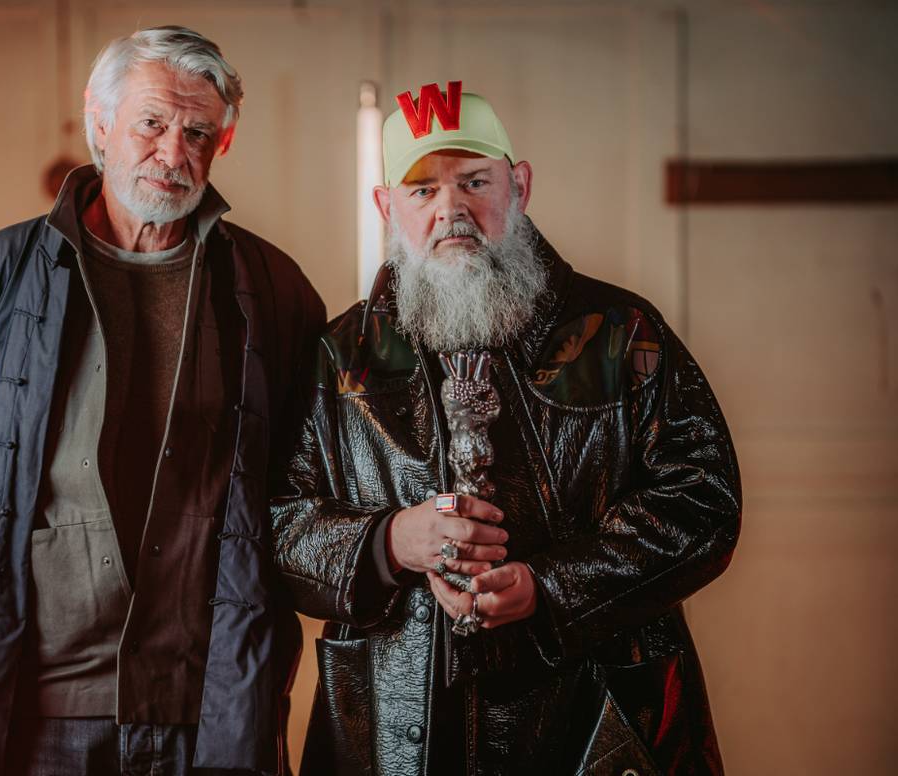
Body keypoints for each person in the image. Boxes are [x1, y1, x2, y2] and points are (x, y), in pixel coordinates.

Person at [0, 26, 324, 776]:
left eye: (197, 133)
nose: (172, 152)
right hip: (33, 702)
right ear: (99, 120)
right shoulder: (5, 271)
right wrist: (6, 551)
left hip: (205, 700)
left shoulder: (268, 288)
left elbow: (306, 475)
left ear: (223, 142)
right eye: (151, 123)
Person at [271, 81, 740, 775]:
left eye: (474, 181)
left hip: (592, 715)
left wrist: (549, 586)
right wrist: (392, 540)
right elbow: (280, 527)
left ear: (517, 185)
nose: (451, 209)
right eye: (423, 191)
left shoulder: (621, 335)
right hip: (396, 726)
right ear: (386, 207)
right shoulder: (342, 358)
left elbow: (703, 505)